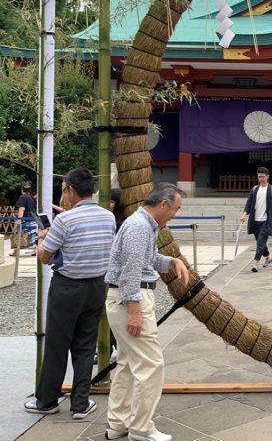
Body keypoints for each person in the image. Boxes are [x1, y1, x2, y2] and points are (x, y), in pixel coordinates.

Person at [24, 168, 116, 419]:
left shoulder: (65, 221)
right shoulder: (108, 217)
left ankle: (47, 400)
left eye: (64, 189)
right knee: (85, 346)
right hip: (96, 286)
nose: (63, 194)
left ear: (71, 190)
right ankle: (80, 404)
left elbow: (45, 257)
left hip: (67, 287)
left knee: (57, 344)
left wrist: (41, 238)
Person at [104, 183, 189, 441]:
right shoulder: (140, 226)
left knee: (128, 364)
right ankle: (141, 428)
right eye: (175, 209)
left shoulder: (142, 224)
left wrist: (172, 261)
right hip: (132, 299)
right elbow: (131, 269)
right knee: (151, 364)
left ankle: (118, 423)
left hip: (126, 297)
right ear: (163, 204)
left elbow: (148, 260)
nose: (175, 214)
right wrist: (134, 310)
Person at [240, 167, 272, 273]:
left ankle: (255, 263)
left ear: (267, 176)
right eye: (259, 177)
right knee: (261, 243)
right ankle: (269, 257)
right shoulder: (254, 189)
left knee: (260, 243)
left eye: (262, 176)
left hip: (266, 221)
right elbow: (249, 203)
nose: (260, 178)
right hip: (255, 221)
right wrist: (244, 215)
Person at [11, 182, 38, 256]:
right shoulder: (32, 198)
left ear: (22, 189)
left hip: (26, 220)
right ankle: (35, 250)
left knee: (17, 233)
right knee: (34, 236)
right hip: (34, 219)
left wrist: (19, 220)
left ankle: (16, 251)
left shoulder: (22, 197)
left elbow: (22, 209)